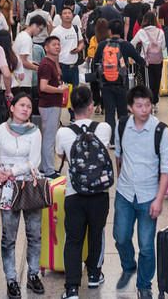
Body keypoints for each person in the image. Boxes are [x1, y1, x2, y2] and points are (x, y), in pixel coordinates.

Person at [0, 91, 45, 298]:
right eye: (22, 105)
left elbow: (35, 162)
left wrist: (10, 172)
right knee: (8, 237)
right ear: (12, 108)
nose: (25, 109)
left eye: (29, 107)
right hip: (7, 188)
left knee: (34, 234)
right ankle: (11, 279)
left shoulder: (35, 132)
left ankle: (33, 275)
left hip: (29, 186)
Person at [113, 84, 168, 299]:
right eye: (139, 106)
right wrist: (121, 179)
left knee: (147, 247)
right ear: (130, 107)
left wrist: (159, 199)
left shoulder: (161, 131)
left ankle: (144, 285)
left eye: (147, 105)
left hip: (149, 195)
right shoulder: (121, 126)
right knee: (120, 238)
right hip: (124, 193)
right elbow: (118, 157)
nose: (144, 110)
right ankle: (129, 266)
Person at [56, 85, 113, 299]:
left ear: (71, 107)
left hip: (74, 193)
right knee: (96, 234)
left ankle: (71, 288)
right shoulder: (104, 128)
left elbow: (60, 154)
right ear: (91, 107)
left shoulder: (63, 132)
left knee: (73, 239)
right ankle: (94, 275)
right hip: (99, 193)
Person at [92, 19, 146, 140]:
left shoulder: (102, 44)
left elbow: (95, 62)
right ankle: (122, 138)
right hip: (121, 83)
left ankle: (111, 139)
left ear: (109, 31)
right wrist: (145, 63)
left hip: (105, 83)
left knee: (109, 113)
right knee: (122, 112)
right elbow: (139, 60)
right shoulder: (126, 45)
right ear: (121, 31)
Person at [38, 35, 68, 177]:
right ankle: (48, 170)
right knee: (49, 139)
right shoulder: (46, 65)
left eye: (58, 44)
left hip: (52, 104)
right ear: (46, 48)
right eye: (54, 44)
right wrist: (60, 90)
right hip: (49, 104)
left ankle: (45, 167)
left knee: (49, 137)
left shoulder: (51, 63)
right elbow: (43, 87)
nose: (57, 46)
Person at [131, 11, 166, 104]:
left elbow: (132, 44)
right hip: (158, 60)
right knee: (156, 81)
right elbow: (163, 47)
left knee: (148, 82)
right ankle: (155, 102)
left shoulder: (141, 32)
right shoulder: (160, 32)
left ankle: (148, 101)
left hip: (145, 61)